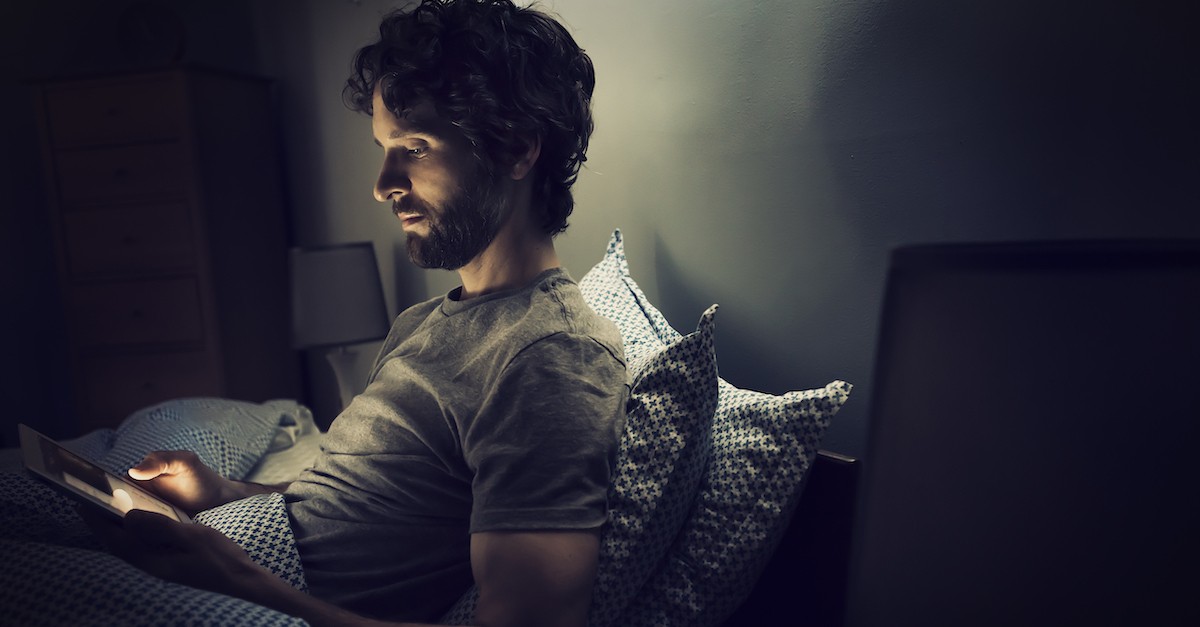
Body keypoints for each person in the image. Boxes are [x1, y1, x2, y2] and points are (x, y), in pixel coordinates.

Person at [91, 1, 628, 626]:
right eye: (383, 148)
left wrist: (230, 575)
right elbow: (354, 507)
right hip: (227, 544)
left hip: (247, 595)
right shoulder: (423, 324)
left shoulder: (551, 357)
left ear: (516, 150)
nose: (382, 183)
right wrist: (223, 494)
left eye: (414, 147)